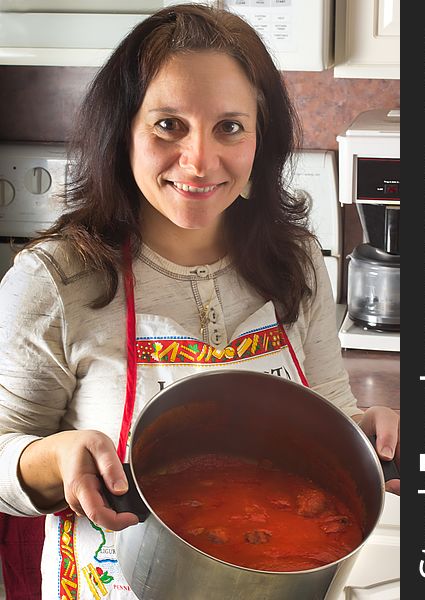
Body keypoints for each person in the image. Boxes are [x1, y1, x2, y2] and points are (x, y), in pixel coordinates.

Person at [0, 3, 400, 599]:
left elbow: (330, 412)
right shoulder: (55, 281)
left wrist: (365, 434)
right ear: (123, 130)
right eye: (169, 125)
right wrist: (54, 458)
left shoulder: (296, 265)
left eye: (230, 127)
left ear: (260, 139)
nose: (199, 160)